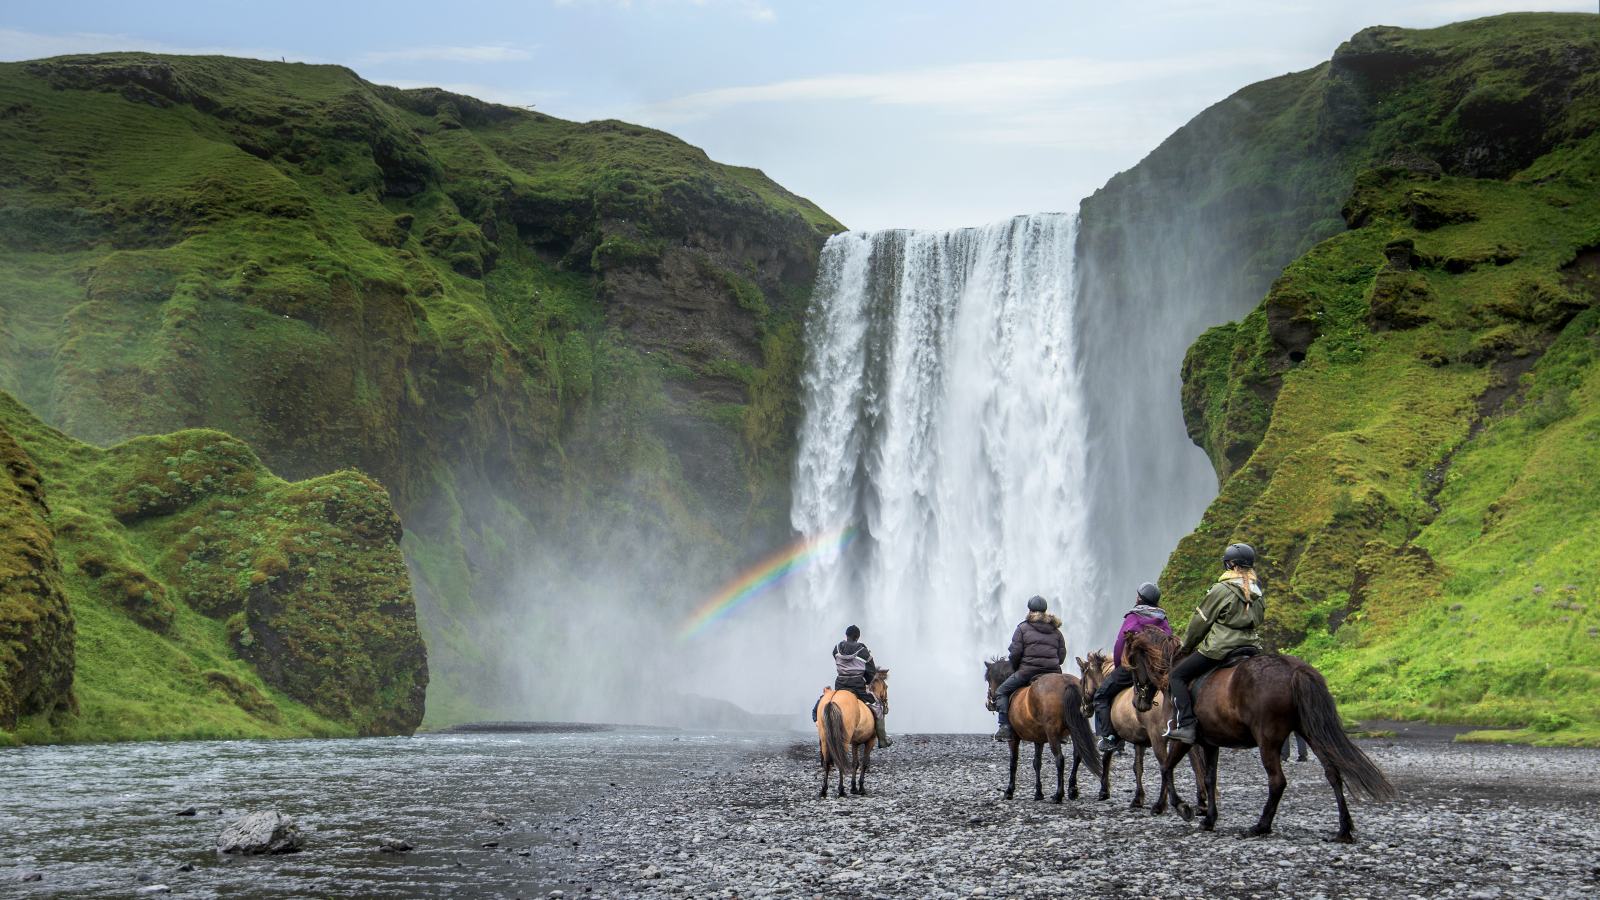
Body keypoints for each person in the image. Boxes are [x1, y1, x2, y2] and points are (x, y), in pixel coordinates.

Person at [1165, 543, 1266, 743]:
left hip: (1220, 648)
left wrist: (1186, 646)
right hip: (1251, 646)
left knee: (1176, 676)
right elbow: (1260, 619)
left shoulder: (1221, 589)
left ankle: (1186, 725)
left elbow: (1200, 622)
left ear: (1229, 564)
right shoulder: (1258, 591)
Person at [1094, 582, 1171, 753]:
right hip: (1158, 670)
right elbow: (1169, 642)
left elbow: (1119, 645)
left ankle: (1109, 738)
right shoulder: (1163, 619)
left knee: (1100, 696)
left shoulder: (1134, 617)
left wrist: (1120, 665)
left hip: (1134, 668)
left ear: (1140, 598)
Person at [993, 595, 1067, 742]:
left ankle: (1004, 727)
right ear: (1045, 611)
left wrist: (1016, 668)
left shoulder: (1022, 628)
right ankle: (1065, 730)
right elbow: (1062, 656)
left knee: (1001, 691)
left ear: (1030, 610)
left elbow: (1015, 653)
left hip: (1027, 671)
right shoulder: (1056, 631)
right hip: (1053, 673)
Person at [813, 625, 892, 749]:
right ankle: (882, 739)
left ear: (846, 635)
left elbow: (836, 658)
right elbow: (871, 672)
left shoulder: (837, 648)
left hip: (840, 685)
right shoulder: (863, 652)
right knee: (877, 707)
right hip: (857, 687)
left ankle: (816, 719)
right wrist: (865, 680)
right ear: (858, 637)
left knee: (824, 700)